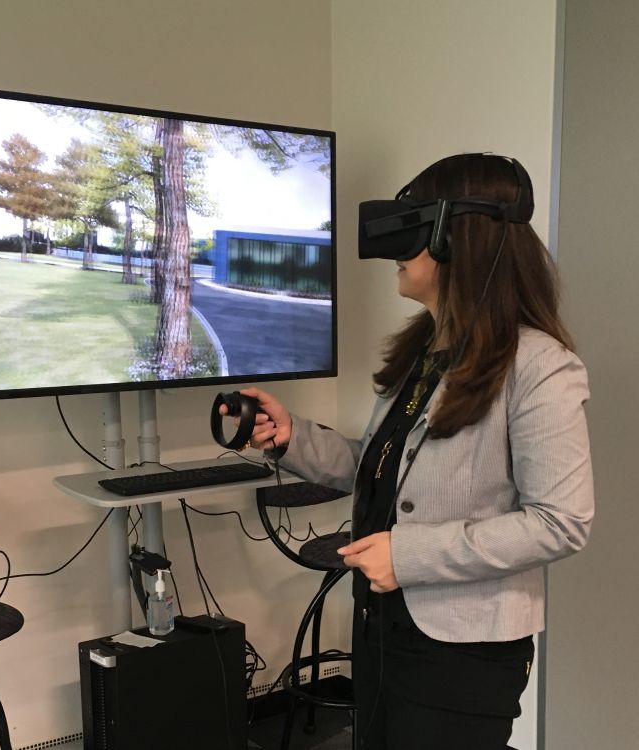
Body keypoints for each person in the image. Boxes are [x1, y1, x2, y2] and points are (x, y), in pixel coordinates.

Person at [227, 154, 594, 749]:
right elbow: (378, 469)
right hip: (383, 623)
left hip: (463, 651)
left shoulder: (540, 366)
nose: (396, 249)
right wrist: (292, 436)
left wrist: (412, 555)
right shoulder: (425, 353)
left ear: (458, 237)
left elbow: (561, 523)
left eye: (411, 228)